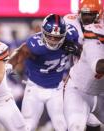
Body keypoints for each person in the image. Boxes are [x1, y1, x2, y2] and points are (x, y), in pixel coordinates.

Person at [8, 14, 80, 131]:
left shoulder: (71, 35)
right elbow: (19, 55)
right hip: (34, 88)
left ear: (64, 35)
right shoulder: (35, 45)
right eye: (49, 36)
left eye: (56, 37)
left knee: (62, 126)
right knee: (27, 126)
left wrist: (77, 49)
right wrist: (6, 67)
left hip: (57, 88)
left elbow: (86, 53)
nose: (52, 40)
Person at [63, 0, 104, 130]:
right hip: (80, 84)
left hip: (101, 89)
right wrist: (65, 44)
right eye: (84, 14)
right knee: (76, 126)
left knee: (94, 126)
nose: (87, 18)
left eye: (91, 14)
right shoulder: (73, 24)